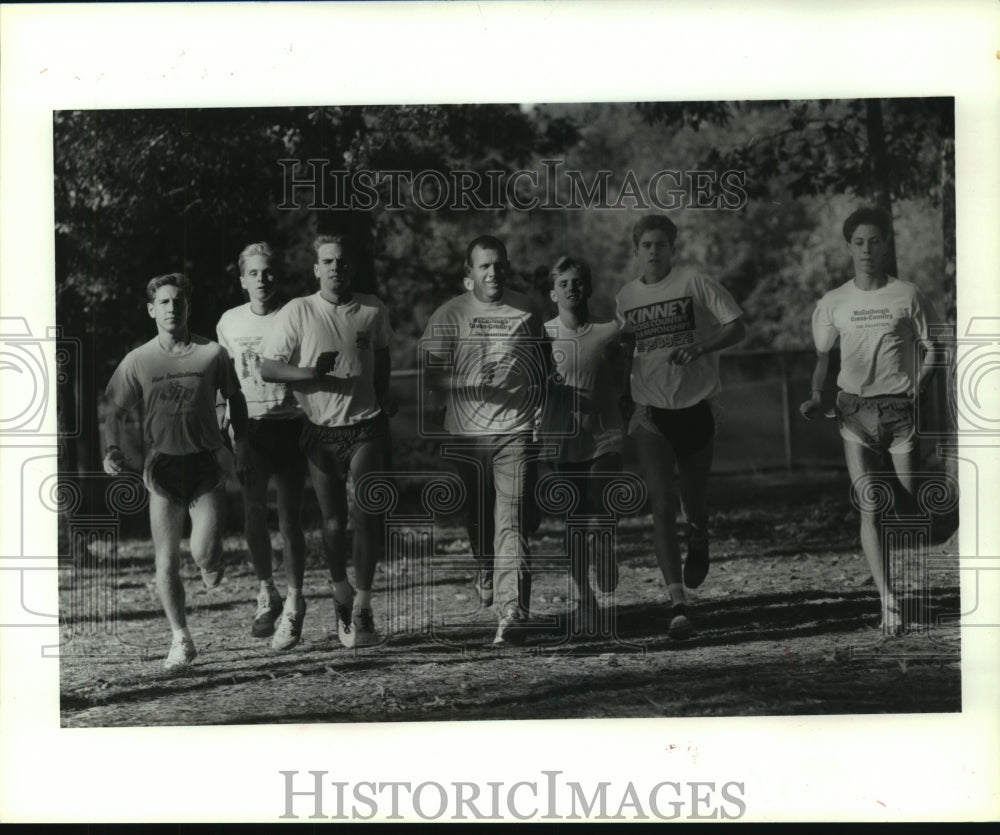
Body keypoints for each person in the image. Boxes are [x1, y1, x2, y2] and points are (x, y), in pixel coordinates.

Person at [800, 208, 939, 635]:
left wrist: (919, 384)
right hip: (854, 412)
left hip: (899, 411)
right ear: (848, 248)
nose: (867, 249)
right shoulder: (833, 302)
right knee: (871, 507)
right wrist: (815, 395)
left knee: (910, 498)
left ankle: (947, 518)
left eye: (874, 241)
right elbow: (823, 356)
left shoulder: (908, 295)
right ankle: (888, 601)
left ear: (885, 246)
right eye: (859, 242)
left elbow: (931, 348)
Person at [102, 273, 249, 671]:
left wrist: (242, 442)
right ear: (152, 310)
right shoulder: (139, 359)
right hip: (162, 468)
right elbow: (113, 409)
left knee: (203, 552)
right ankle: (180, 639)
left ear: (188, 307)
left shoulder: (212, 354)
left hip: (205, 464)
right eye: (164, 302)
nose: (171, 308)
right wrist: (112, 449)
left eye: (178, 301)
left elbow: (236, 399)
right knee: (165, 558)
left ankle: (210, 562)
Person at [260, 234, 392, 649]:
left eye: (342, 261)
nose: (336, 267)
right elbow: (268, 367)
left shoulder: (372, 308)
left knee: (368, 513)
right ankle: (341, 593)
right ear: (316, 269)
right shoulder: (299, 310)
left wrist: (384, 403)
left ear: (351, 268)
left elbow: (384, 360)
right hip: (320, 430)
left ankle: (364, 607)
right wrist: (310, 375)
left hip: (366, 425)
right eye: (328, 261)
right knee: (333, 522)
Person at [616, 215, 745, 639]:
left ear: (672, 248)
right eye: (646, 245)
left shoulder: (695, 282)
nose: (653, 252)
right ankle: (677, 603)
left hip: (695, 406)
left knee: (693, 502)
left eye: (661, 245)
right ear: (637, 250)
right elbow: (627, 350)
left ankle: (701, 534)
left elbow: (736, 326)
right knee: (661, 505)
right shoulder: (626, 297)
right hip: (651, 411)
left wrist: (700, 346)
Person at [421, 235, 547, 646]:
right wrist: (470, 380)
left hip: (515, 430)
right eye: (484, 267)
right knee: (479, 520)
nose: (493, 273)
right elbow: (431, 377)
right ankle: (485, 567)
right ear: (469, 275)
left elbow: (543, 365)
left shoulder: (527, 309)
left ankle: (512, 613)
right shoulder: (449, 314)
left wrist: (542, 413)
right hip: (467, 437)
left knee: (510, 522)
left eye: (499, 265)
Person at [216, 242, 308, 651]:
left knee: (290, 521)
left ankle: (294, 601)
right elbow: (224, 378)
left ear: (278, 275)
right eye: (253, 274)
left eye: (268, 272)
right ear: (242, 280)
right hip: (249, 428)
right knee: (254, 513)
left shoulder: (296, 314)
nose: (261, 280)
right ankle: (266, 591)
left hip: (290, 423)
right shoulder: (229, 322)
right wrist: (228, 426)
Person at [541, 256, 625, 635]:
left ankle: (606, 546)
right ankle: (584, 599)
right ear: (552, 292)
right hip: (561, 440)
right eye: (564, 283)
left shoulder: (611, 332)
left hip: (605, 436)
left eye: (578, 282)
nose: (571, 288)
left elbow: (627, 376)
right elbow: (528, 386)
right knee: (573, 523)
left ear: (588, 288)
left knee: (604, 502)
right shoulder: (541, 336)